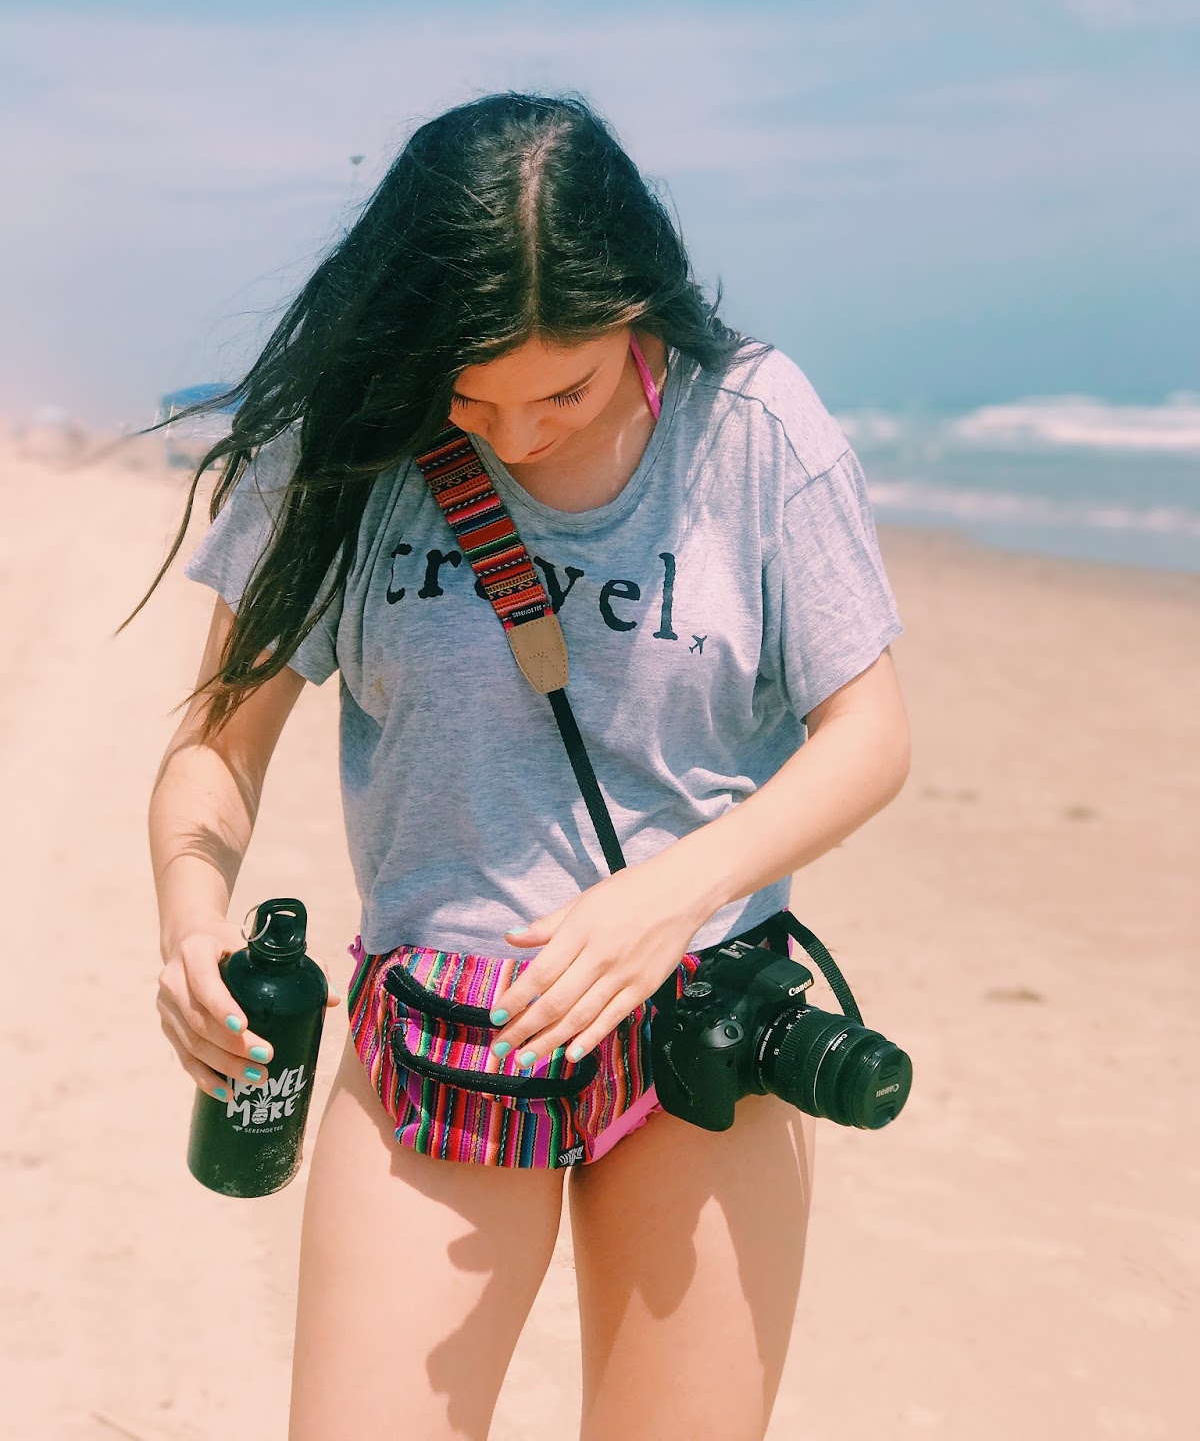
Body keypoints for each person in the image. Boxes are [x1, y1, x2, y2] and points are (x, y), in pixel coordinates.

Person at [140, 90, 910, 1441]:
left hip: (700, 1018)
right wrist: (190, 917)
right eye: (469, 394)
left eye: (566, 389)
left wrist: (671, 894)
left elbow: (872, 735)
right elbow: (218, 743)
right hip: (442, 1030)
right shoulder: (344, 445)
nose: (517, 436)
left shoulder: (749, 424)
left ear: (638, 308)